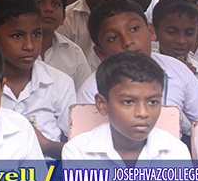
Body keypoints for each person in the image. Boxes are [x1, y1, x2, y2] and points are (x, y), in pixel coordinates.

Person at [76, 0, 198, 136]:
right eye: (113, 38)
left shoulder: (177, 70)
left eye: (134, 29)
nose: (127, 41)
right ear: (100, 52)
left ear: (150, 31)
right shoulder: (92, 91)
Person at [0, 0, 75, 158]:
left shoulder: (60, 83)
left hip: (49, 176)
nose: (29, 45)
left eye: (36, 34)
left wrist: (47, 146)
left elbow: (79, 149)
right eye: (17, 36)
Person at [63, 51, 191, 162]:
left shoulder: (175, 151)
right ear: (102, 104)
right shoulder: (78, 152)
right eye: (128, 102)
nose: (142, 113)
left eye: (153, 102)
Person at [19, 0, 92, 90]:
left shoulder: (73, 53)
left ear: (63, 16)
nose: (48, 8)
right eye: (40, 2)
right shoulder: (10, 51)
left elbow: (84, 97)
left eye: (56, 4)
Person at [152, 0, 198, 85]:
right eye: (172, 32)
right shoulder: (141, 69)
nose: (181, 40)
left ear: (197, 32)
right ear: (154, 31)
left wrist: (191, 81)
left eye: (189, 33)